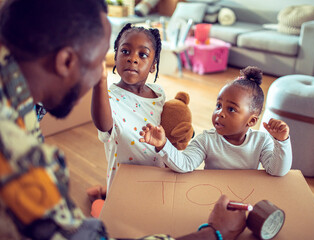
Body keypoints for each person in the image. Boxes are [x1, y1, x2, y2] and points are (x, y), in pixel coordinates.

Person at [0, 0, 246, 239]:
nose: (130, 60)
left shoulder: (18, 100)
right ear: (66, 61)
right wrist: (213, 234)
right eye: (99, 63)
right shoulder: (16, 157)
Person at [140, 66, 292, 176]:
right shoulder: (206, 140)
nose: (220, 113)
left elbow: (277, 171)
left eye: (231, 109)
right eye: (218, 105)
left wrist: (282, 141)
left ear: (251, 121)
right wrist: (163, 144)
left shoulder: (261, 141)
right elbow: (184, 164)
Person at [87, 23, 166, 207]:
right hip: (123, 183)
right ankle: (100, 200)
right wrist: (100, 82)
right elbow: (103, 125)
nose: (132, 59)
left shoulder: (159, 94)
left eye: (143, 54)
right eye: (125, 51)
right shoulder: (109, 99)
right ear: (115, 57)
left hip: (156, 177)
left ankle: (102, 193)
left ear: (153, 66)